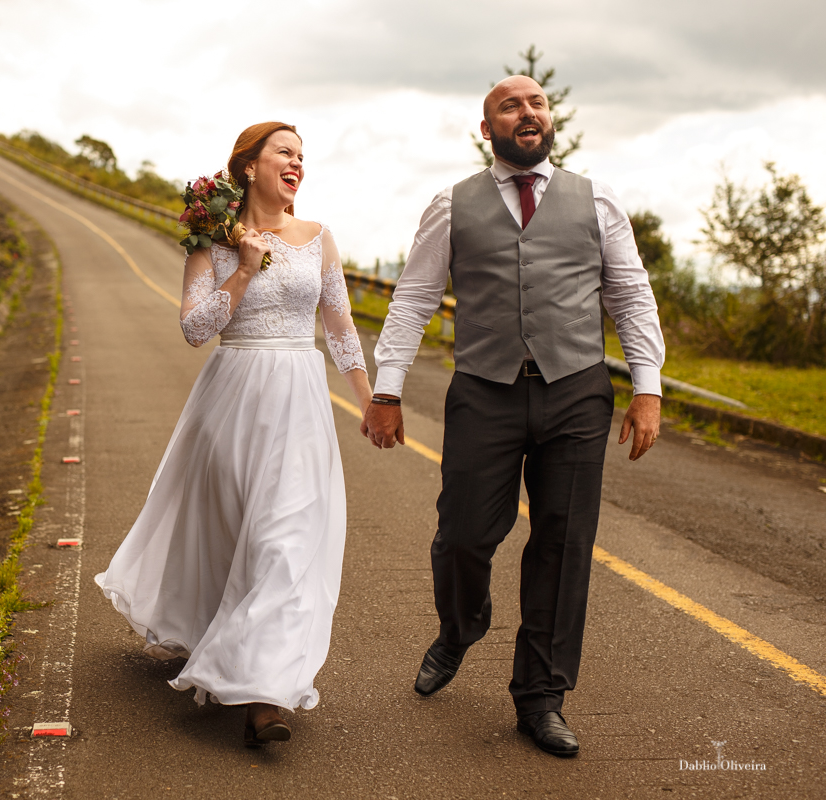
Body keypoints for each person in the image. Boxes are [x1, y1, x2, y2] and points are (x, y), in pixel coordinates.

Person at [361, 76, 665, 757]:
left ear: (548, 119)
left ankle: (541, 697)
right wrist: (386, 390)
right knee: (463, 536)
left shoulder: (597, 199)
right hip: (484, 390)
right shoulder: (452, 204)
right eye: (510, 105)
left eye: (536, 104)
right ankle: (461, 627)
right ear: (487, 127)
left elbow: (631, 296)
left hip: (577, 390)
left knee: (562, 544)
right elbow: (412, 299)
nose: (527, 113)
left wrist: (647, 387)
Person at [96, 122, 373, 746]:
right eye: (284, 152)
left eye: (302, 155)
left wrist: (371, 400)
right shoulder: (213, 245)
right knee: (232, 538)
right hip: (232, 400)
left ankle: (263, 695)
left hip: (301, 400)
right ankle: (217, 639)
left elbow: (340, 328)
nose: (297, 162)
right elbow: (195, 329)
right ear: (249, 168)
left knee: (286, 539)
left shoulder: (319, 240)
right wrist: (242, 270)